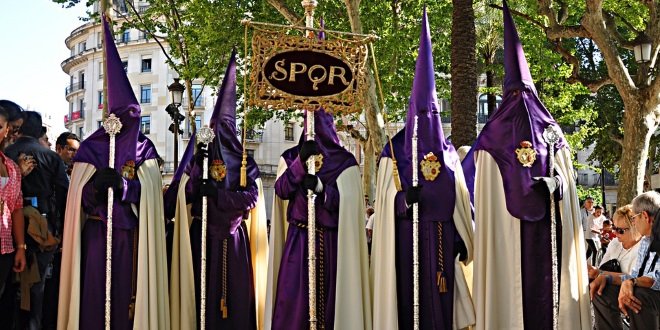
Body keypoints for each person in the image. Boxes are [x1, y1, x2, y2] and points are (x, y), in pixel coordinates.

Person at [467, 1, 591, 328]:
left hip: (551, 236)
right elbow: (486, 196)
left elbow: (568, 180)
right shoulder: (492, 137)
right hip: (509, 242)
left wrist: (559, 185)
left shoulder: (551, 131)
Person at [58, 15, 169, 329]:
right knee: (94, 296)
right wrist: (93, 188)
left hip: (132, 240)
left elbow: (151, 196)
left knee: (128, 300)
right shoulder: (92, 148)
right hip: (96, 235)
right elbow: (78, 199)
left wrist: (124, 188)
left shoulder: (144, 149)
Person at [370, 8, 474, 330]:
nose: (427, 118)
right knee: (405, 307)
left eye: (432, 112)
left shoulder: (449, 155)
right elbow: (385, 201)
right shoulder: (393, 151)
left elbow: (461, 202)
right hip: (404, 245)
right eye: (421, 112)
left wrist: (458, 241)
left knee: (439, 311)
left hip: (441, 245)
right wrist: (403, 201)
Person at [169, 51, 268, 329]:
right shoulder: (199, 156)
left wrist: (218, 195)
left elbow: (252, 197)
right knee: (201, 297)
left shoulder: (245, 161)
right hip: (202, 237)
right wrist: (197, 170)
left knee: (235, 301)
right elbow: (182, 195)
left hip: (233, 239)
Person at [264, 108, 372, 330]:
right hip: (298, 241)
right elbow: (281, 191)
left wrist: (323, 189)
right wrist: (300, 164)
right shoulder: (292, 157)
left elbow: (349, 204)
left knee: (331, 304)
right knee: (294, 302)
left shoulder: (345, 161)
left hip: (332, 243)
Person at [4, 111, 69, 330]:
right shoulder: (50, 156)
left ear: (19, 128)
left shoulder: (7, 154)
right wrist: (59, 230)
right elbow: (63, 194)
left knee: (10, 287)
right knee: (37, 285)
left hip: (11, 226)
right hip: (42, 225)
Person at [591, 191, 660, 329]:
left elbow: (657, 278)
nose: (634, 222)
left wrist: (632, 282)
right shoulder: (646, 241)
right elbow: (634, 276)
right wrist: (606, 277)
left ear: (645, 216)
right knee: (601, 290)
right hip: (647, 293)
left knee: (638, 294)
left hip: (651, 296)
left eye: (634, 218)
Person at [0, 106, 27, 318]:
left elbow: (17, 209)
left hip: (5, 248)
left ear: (7, 130)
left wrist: (20, 247)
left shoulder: (11, 167)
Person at [587, 205, 641, 281]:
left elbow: (635, 279)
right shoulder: (615, 242)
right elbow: (602, 267)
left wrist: (598, 273)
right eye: (614, 228)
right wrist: (594, 271)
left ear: (634, 228)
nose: (615, 232)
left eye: (620, 230)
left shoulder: (642, 248)